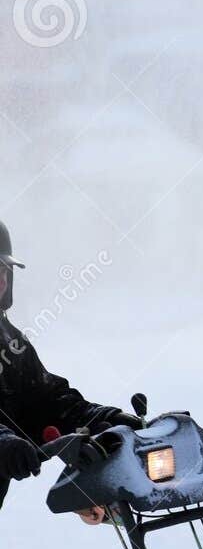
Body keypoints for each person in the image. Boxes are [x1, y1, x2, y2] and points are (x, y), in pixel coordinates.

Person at [0, 220, 140, 519]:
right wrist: (4, 444)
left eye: (2, 270)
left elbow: (47, 400)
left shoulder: (10, 340)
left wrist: (101, 419)